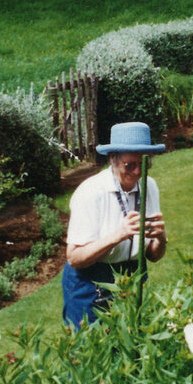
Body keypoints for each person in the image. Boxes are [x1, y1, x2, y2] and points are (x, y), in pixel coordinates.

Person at [62, 122, 168, 328]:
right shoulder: (91, 192)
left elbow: (153, 256)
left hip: (132, 277)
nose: (138, 172)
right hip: (90, 281)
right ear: (113, 159)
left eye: (144, 164)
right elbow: (74, 258)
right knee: (92, 352)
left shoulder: (149, 186)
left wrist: (161, 237)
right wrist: (118, 234)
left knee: (130, 347)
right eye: (130, 165)